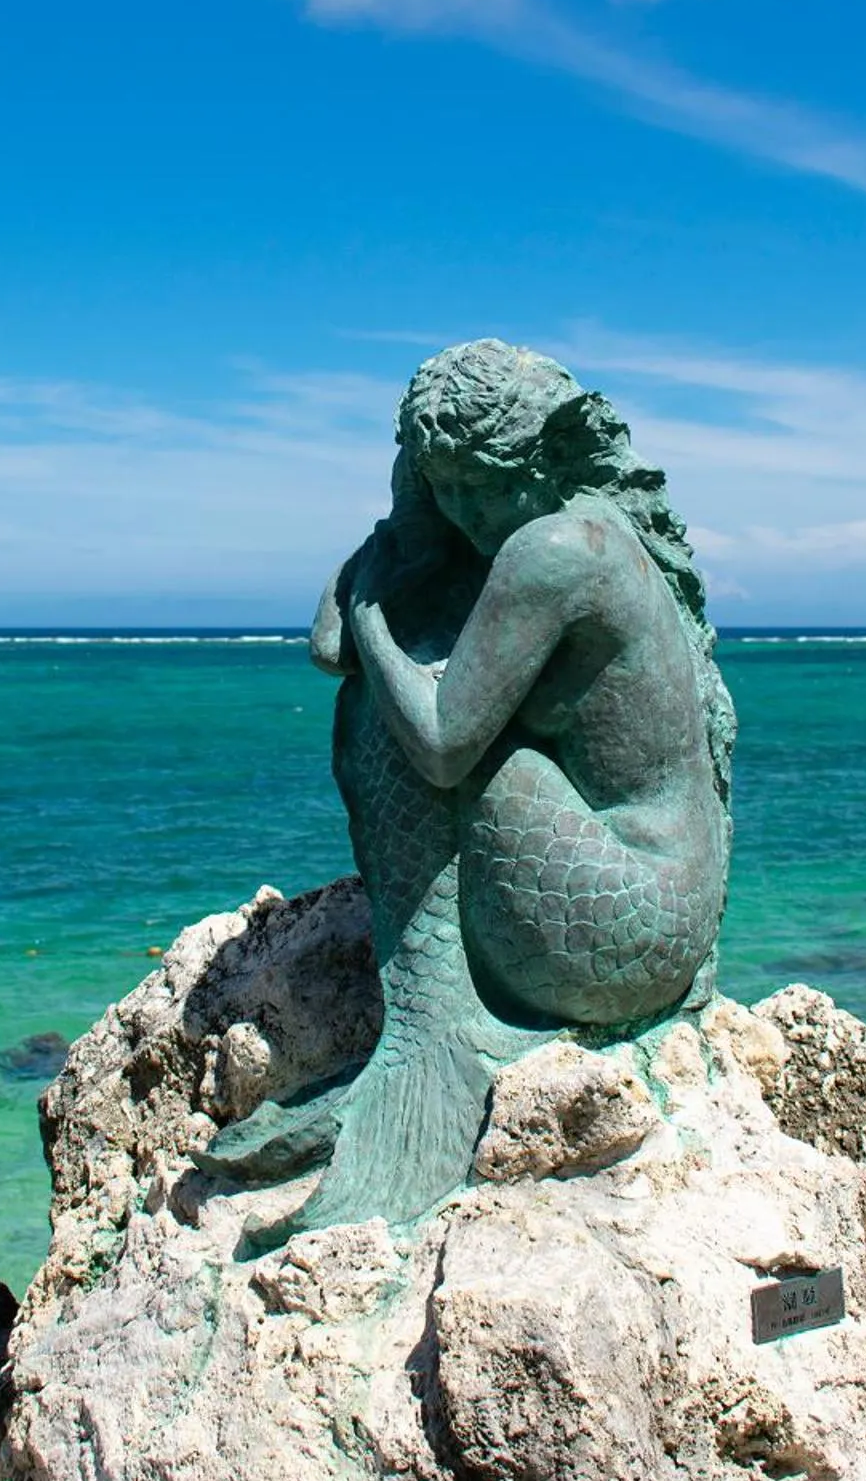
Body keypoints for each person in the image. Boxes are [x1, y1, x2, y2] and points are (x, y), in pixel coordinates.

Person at [209, 340, 734, 1233]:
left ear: (544, 459)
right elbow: (323, 644)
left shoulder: (558, 548)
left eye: (483, 484)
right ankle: (423, 1035)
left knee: (405, 719)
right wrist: (406, 519)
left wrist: (379, 614)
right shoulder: (534, 526)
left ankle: (430, 1040)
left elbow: (442, 738)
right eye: (445, 485)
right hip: (654, 913)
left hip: (631, 916)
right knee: (390, 701)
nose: (467, 511)